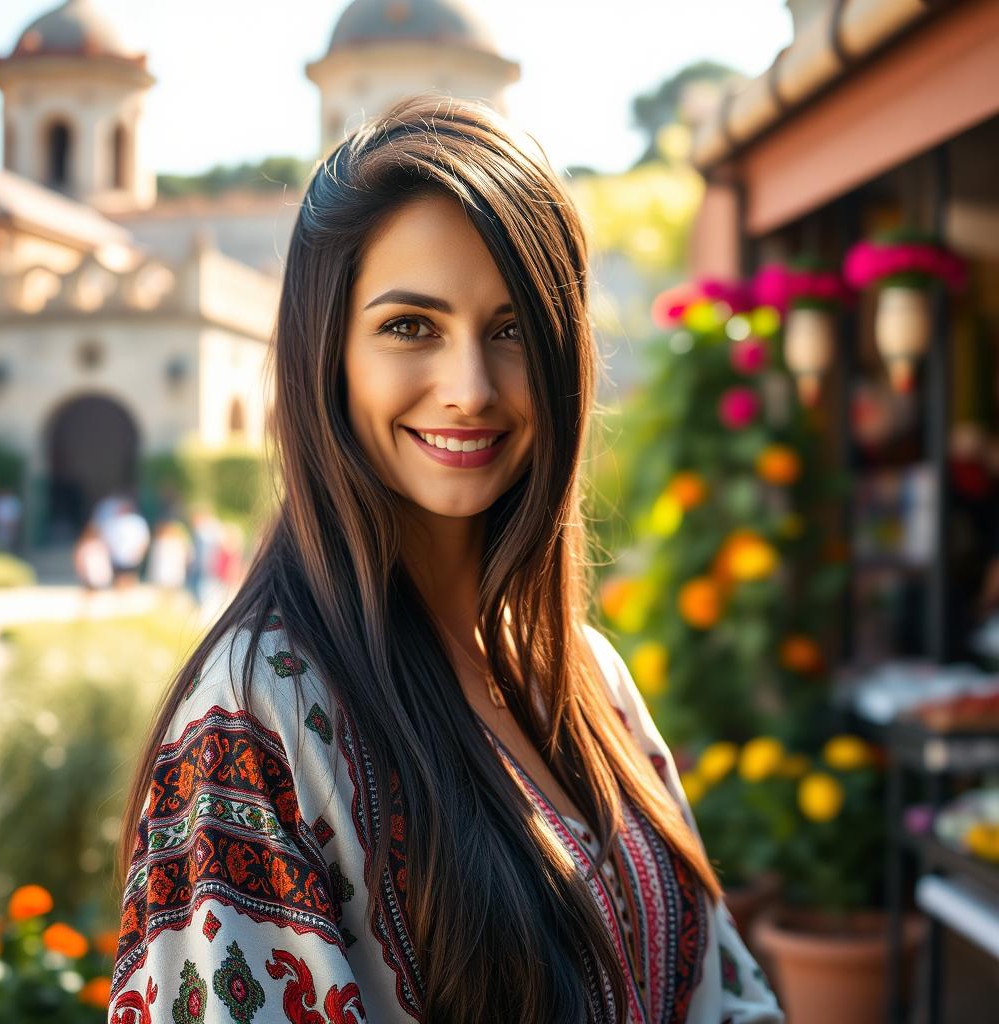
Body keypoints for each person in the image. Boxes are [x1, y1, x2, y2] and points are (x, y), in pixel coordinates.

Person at [109, 95, 783, 1024]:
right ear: (328, 354)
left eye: (512, 330)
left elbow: (724, 991)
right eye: (409, 326)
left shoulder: (586, 673)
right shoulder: (255, 720)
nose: (470, 389)